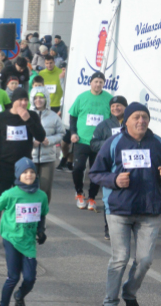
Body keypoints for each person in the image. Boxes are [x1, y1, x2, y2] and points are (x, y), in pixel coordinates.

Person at [89, 102, 161, 306]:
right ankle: (110, 302)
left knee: (145, 260)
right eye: (137, 117)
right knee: (120, 258)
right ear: (127, 120)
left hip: (150, 209)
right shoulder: (114, 143)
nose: (141, 121)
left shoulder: (157, 142)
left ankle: (130, 296)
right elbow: (95, 173)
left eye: (145, 117)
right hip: (120, 209)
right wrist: (114, 180)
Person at [0, 88, 46, 249]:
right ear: (13, 101)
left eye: (26, 100)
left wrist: (28, 120)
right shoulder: (1, 118)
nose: (24, 103)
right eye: (21, 100)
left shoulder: (31, 116)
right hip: (4, 165)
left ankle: (21, 235)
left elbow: (41, 136)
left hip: (24, 169)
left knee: (24, 201)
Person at [0, 157, 49, 306]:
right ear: (18, 174)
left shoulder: (41, 195)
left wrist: (41, 230)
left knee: (30, 278)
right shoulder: (10, 194)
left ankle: (20, 295)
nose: (29, 175)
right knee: (13, 277)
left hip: (28, 240)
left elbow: (41, 214)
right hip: (11, 237)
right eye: (25, 172)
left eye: (32, 172)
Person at [70, 71, 113, 211]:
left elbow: (113, 120)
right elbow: (73, 116)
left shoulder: (108, 98)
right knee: (78, 167)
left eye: (101, 82)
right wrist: (73, 133)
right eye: (95, 81)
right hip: (82, 139)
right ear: (90, 82)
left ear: (104, 84)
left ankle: (92, 197)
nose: (98, 84)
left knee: (96, 170)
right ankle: (79, 193)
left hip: (100, 142)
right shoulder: (82, 97)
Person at [90, 95, 127, 240]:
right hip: (110, 167)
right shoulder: (104, 125)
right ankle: (108, 228)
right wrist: (109, 144)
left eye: (119, 105)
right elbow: (93, 144)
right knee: (109, 198)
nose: (116, 108)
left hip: (128, 167)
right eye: (113, 106)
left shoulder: (131, 123)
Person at [30, 89, 65, 204]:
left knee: (45, 190)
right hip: (30, 158)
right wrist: (31, 143)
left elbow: (62, 133)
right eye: (36, 98)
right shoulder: (26, 114)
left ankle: (42, 216)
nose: (38, 100)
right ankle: (30, 216)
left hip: (48, 159)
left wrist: (49, 140)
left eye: (41, 98)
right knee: (29, 189)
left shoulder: (54, 117)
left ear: (46, 99)